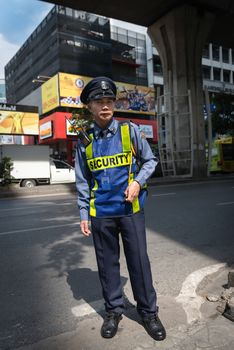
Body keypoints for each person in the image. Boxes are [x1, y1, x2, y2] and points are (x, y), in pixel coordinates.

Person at [75, 76, 166, 341]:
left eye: (108, 101)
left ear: (114, 103)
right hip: (100, 213)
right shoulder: (84, 140)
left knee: (139, 262)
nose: (104, 106)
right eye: (98, 102)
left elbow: (150, 161)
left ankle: (149, 312)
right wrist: (83, 213)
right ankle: (113, 311)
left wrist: (137, 182)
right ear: (89, 107)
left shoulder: (130, 131)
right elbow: (82, 179)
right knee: (107, 265)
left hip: (130, 210)